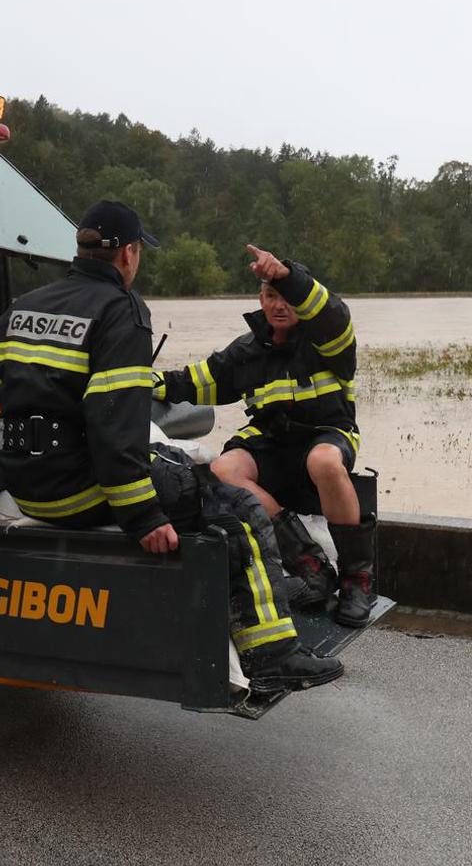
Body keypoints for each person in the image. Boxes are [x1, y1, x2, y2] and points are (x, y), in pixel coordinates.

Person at [0, 201, 342, 692]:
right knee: (239, 509)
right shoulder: (121, 310)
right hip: (80, 489)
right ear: (129, 254)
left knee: (184, 470)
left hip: (27, 484)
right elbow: (114, 424)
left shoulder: (26, 306)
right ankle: (272, 653)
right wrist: (143, 516)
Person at [154, 244, 377, 629]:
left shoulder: (329, 340)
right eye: (271, 295)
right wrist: (139, 382)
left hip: (328, 433)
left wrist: (288, 278)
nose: (279, 305)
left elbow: (332, 312)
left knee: (322, 461)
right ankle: (311, 565)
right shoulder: (246, 350)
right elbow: (195, 382)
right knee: (223, 469)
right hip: (272, 440)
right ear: (261, 299)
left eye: (287, 297)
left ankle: (357, 581)